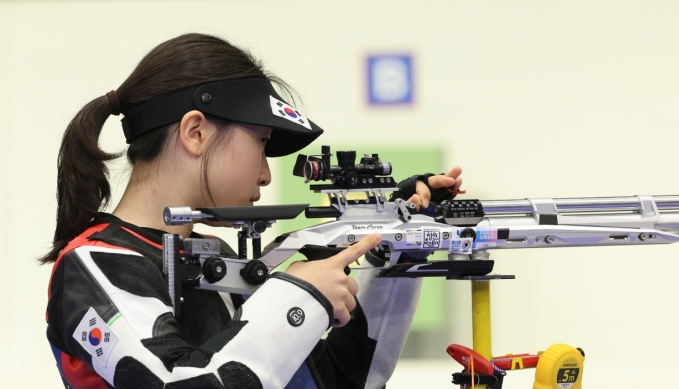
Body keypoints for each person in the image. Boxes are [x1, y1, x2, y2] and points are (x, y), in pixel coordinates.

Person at [43, 33, 464, 389]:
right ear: (196, 132)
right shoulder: (95, 263)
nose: (265, 174)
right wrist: (300, 295)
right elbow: (178, 379)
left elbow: (344, 380)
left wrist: (396, 247)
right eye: (261, 142)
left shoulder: (215, 257)